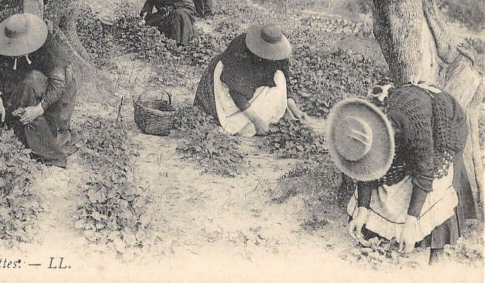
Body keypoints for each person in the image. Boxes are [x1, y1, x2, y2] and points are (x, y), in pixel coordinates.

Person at [330, 84, 475, 265]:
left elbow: (425, 174)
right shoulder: (365, 122)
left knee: (438, 184)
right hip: (407, 123)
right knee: (388, 177)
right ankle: (381, 234)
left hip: (445, 123)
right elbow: (366, 168)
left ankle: (437, 248)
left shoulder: (414, 125)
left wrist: (410, 224)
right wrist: (362, 211)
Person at [0, 13, 78, 168]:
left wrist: (39, 109)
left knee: (49, 132)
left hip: (54, 93)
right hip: (26, 86)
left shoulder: (49, 47)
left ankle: (49, 135)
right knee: (16, 114)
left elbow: (58, 83)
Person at [193, 24, 303, 136]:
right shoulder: (241, 51)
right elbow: (236, 93)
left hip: (252, 84)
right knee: (242, 120)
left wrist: (294, 109)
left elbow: (286, 82)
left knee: (280, 78)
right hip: (229, 85)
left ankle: (264, 114)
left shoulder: (280, 54)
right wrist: (256, 120)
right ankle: (248, 120)